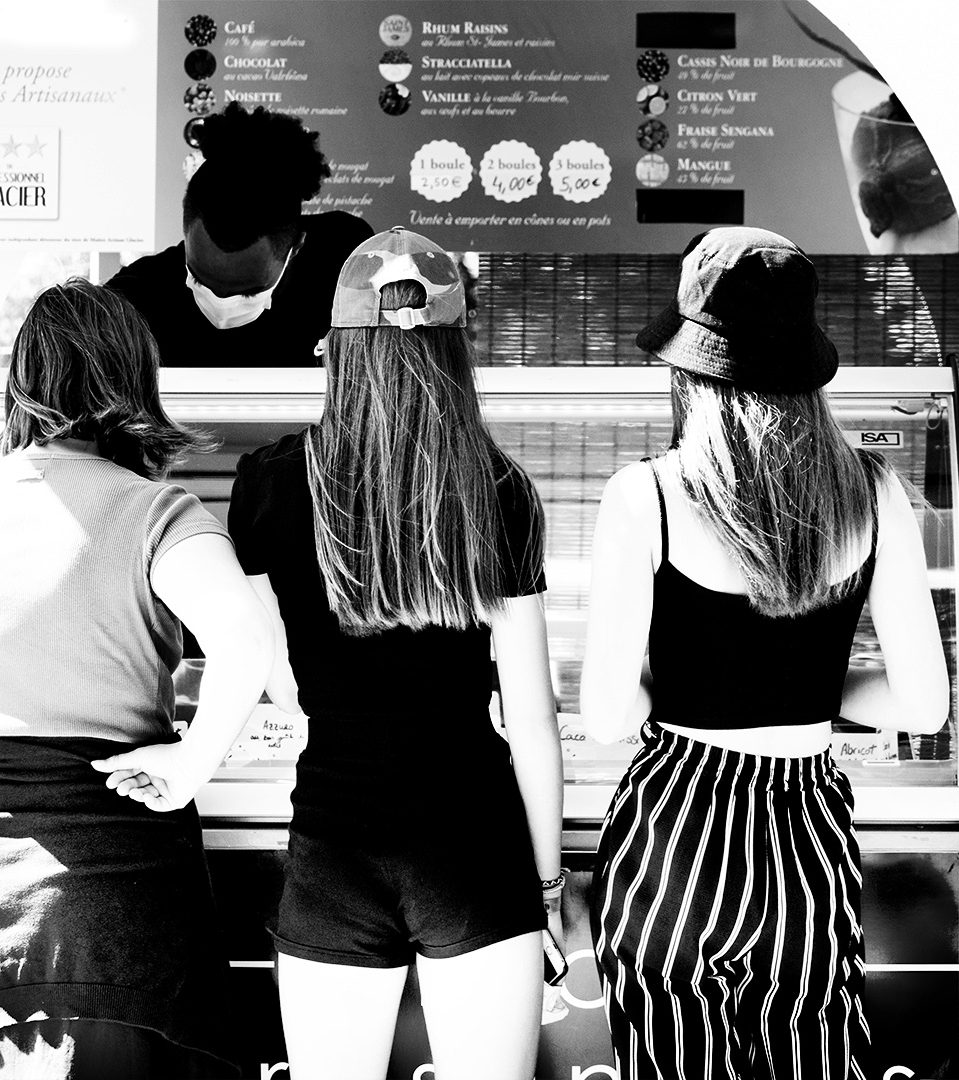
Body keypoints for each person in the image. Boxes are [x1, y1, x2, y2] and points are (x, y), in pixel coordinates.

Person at [581, 226, 949, 1080]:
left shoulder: (647, 495)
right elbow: (923, 704)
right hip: (804, 827)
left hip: (675, 828)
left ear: (691, 364)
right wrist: (813, 686)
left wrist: (683, 682)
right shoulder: (872, 489)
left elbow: (606, 719)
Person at [0, 280, 275, 1079]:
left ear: (23, 380)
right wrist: (190, 764)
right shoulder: (151, 512)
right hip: (114, 909)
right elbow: (247, 645)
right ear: (132, 377)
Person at [225, 227, 564, 1080]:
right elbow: (531, 716)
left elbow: (277, 674)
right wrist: (549, 887)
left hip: (334, 845)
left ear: (337, 349)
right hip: (474, 849)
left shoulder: (270, 481)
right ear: (456, 353)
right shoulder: (500, 488)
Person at [107, 102, 374, 367]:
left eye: (249, 293)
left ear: (296, 248)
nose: (221, 307)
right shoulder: (134, 302)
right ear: (185, 231)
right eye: (199, 281)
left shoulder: (345, 267)